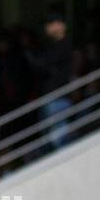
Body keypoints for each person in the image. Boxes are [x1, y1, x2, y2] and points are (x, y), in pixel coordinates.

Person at [26, 13, 74, 150]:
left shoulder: (65, 45)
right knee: (49, 140)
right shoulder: (51, 46)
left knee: (58, 140)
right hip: (50, 96)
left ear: (61, 25)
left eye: (51, 23)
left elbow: (43, 65)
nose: (47, 27)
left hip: (59, 96)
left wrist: (36, 61)